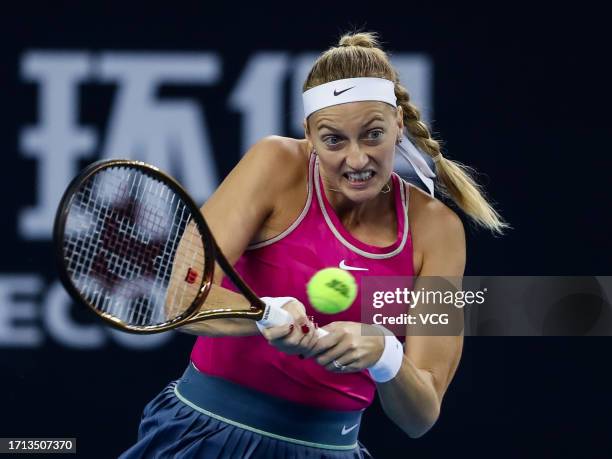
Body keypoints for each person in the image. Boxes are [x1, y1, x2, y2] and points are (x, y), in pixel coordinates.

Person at [119, 31, 507, 459]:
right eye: (334, 140)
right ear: (308, 134)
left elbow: (421, 415)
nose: (357, 160)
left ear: (399, 124)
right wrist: (265, 316)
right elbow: (181, 297)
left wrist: (385, 354)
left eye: (373, 134)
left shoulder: (438, 230)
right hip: (203, 437)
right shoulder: (275, 164)